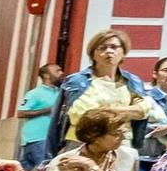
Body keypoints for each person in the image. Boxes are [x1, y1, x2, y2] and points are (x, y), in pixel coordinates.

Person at [52, 29, 158, 162]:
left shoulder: (132, 81)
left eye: (114, 47)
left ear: (123, 52)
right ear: (93, 54)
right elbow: (81, 116)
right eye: (102, 48)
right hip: (84, 144)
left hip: (122, 144)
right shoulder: (78, 81)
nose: (109, 51)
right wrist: (127, 112)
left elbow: (145, 109)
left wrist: (106, 109)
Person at [16, 63, 66, 171]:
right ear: (46, 75)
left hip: (52, 139)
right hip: (38, 138)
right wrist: (49, 110)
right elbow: (21, 113)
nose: (61, 73)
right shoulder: (34, 93)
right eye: (57, 70)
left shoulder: (60, 92)